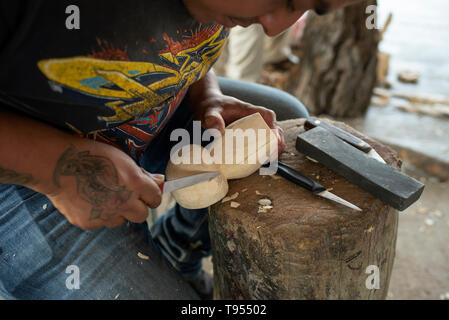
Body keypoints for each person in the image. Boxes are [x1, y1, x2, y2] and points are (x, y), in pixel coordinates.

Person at [0, 0, 361, 300]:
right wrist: (55, 169)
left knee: (285, 121)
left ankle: (177, 248)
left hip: (148, 115)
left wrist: (206, 94)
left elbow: (178, 41)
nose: (275, 28)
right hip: (21, 168)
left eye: (310, 7)